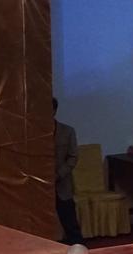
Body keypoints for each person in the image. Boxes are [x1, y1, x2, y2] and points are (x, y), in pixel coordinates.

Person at [53, 97, 83, 245]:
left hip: (62, 184)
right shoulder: (34, 132)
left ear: (54, 111)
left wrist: (59, 174)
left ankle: (79, 250)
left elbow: (73, 157)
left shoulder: (67, 131)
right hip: (41, 187)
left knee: (70, 223)